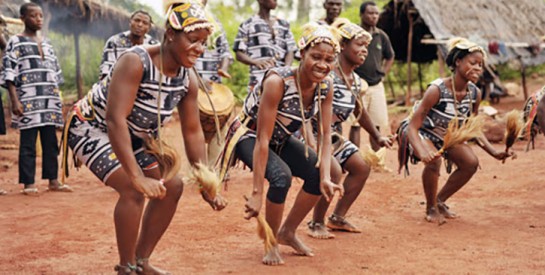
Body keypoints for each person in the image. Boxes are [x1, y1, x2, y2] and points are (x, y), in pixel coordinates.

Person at [65, 2, 226, 273]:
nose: (199, 48)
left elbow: (192, 130)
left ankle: (142, 261)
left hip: (134, 135)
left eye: (203, 43)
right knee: (132, 188)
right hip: (92, 126)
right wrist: (137, 176)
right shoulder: (135, 61)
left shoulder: (188, 80)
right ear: (170, 34)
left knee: (172, 187)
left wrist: (204, 180)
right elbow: (114, 119)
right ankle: (126, 266)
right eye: (193, 40)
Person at [222, 24, 343, 265]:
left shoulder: (326, 86)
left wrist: (327, 176)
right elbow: (262, 139)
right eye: (316, 57)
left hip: (281, 138)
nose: (322, 64)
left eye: (329, 60)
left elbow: (326, 133)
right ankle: (270, 242)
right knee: (281, 178)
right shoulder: (278, 82)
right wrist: (256, 193)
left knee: (320, 174)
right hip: (249, 136)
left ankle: (287, 232)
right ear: (302, 54)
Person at [397, 38, 511, 224]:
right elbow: (412, 125)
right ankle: (431, 208)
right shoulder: (436, 90)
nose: (477, 68)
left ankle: (439, 200)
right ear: (458, 62)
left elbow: (471, 127)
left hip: (447, 136)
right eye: (472, 63)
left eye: (480, 65)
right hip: (421, 132)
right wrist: (421, 150)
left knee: (470, 163)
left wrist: (494, 152)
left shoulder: (474, 93)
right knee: (434, 161)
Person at [307, 19, 393, 239]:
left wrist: (377, 136)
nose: (364, 50)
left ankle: (337, 218)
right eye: (359, 45)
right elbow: (304, 105)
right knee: (334, 170)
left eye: (366, 46)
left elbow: (359, 110)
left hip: (333, 136)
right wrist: (307, 140)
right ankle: (316, 223)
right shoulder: (326, 73)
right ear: (343, 46)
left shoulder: (355, 80)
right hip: (312, 133)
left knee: (361, 167)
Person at [0, 3, 72, 195]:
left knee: (50, 143)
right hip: (28, 101)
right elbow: (9, 73)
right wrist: (15, 101)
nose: (38, 19)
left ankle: (53, 181)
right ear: (23, 18)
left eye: (40, 16)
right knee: (28, 144)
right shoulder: (15, 42)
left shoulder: (47, 42)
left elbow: (55, 74)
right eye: (33, 16)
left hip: (49, 101)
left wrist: (58, 100)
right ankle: (28, 184)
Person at [351, 1, 395, 151]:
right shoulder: (354, 34)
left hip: (376, 84)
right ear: (362, 14)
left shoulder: (381, 36)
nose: (374, 16)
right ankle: (353, 157)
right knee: (355, 124)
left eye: (376, 13)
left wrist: (383, 72)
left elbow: (390, 56)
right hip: (357, 85)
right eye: (370, 13)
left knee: (375, 124)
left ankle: (377, 161)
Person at [194, 0, 234, 165]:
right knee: (193, 129)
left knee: (220, 130)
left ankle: (209, 172)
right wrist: (196, 79)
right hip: (190, 84)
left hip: (213, 84)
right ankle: (196, 169)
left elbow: (225, 52)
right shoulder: (181, 18)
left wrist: (223, 68)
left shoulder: (214, 22)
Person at [233, 0, 297, 93]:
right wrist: (256, 62)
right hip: (258, 79)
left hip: (282, 79)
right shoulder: (248, 25)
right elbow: (239, 53)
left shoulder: (283, 24)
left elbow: (291, 50)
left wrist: (286, 69)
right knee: (257, 105)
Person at [98, 10, 158, 80]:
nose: (140, 25)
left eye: (145, 23)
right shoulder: (114, 41)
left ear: (149, 28)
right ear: (130, 22)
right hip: (115, 83)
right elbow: (105, 73)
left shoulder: (153, 45)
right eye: (137, 20)